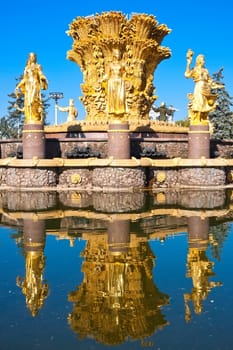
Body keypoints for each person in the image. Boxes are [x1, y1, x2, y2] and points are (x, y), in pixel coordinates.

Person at [184, 49, 221, 124]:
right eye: (203, 59)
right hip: (199, 86)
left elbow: (210, 80)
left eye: (204, 59)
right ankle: (197, 119)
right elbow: (187, 75)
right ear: (199, 61)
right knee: (199, 102)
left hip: (206, 88)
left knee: (205, 103)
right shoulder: (195, 69)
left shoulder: (206, 70)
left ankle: (203, 118)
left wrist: (216, 85)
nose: (204, 61)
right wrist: (188, 63)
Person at [15, 52, 48, 123]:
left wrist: (43, 78)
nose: (32, 58)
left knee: (33, 101)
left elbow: (40, 74)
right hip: (28, 87)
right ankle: (29, 118)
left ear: (35, 58)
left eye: (33, 56)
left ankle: (36, 118)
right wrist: (18, 86)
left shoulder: (38, 66)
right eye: (31, 56)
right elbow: (24, 79)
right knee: (27, 103)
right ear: (29, 58)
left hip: (35, 85)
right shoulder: (26, 68)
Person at [104, 48, 128, 117]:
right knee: (113, 97)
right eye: (117, 54)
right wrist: (102, 79)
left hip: (120, 82)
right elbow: (107, 74)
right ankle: (112, 110)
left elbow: (126, 72)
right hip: (112, 82)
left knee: (120, 97)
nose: (118, 55)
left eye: (119, 54)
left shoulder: (122, 64)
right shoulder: (110, 65)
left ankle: (121, 110)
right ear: (114, 55)